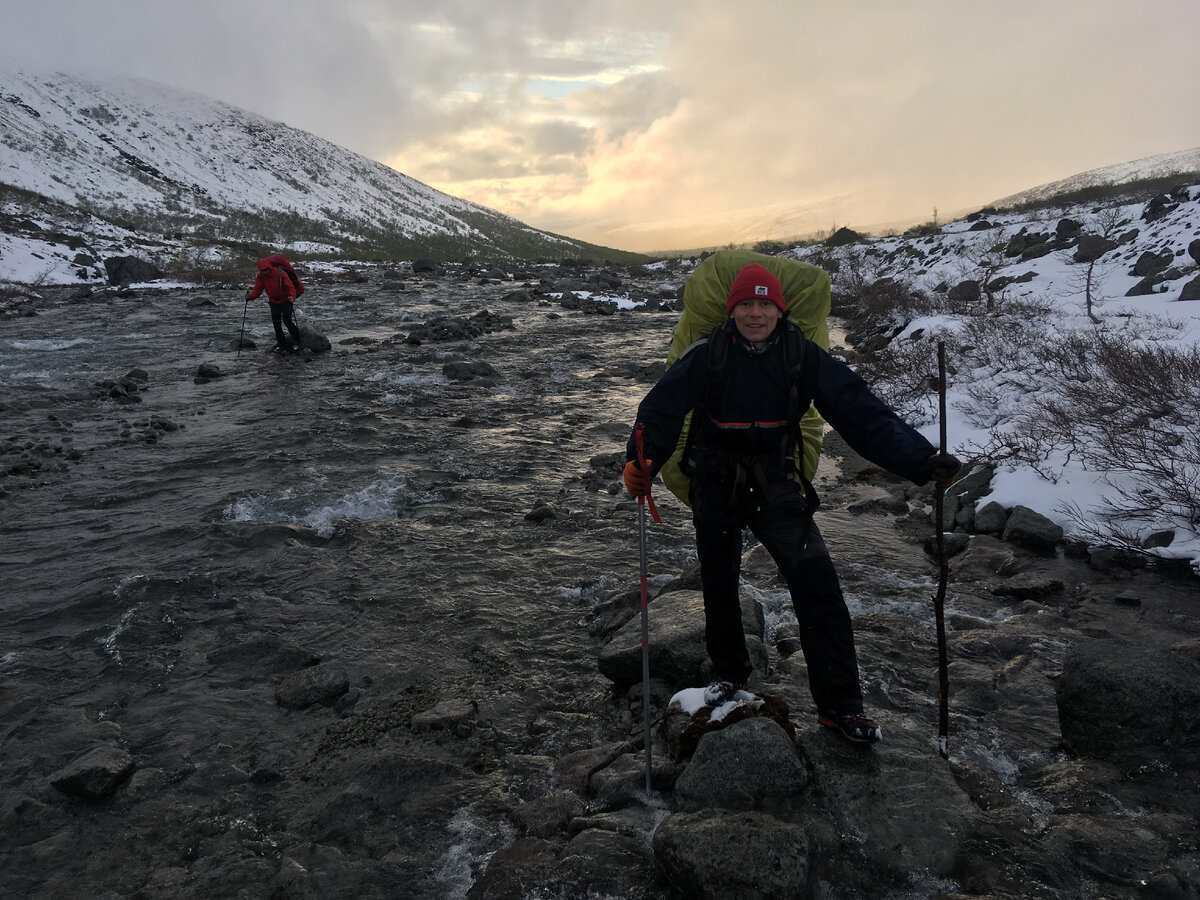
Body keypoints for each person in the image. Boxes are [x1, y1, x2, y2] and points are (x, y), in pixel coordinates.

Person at [623, 263, 960, 744]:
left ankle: (841, 706)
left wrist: (921, 459)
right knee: (719, 583)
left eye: (765, 304)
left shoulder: (803, 356)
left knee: (818, 586)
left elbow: (859, 412)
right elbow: (660, 410)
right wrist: (641, 461)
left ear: (779, 310)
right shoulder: (708, 355)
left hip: (777, 483)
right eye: (746, 304)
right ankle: (730, 676)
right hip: (716, 480)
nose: (755, 313)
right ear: (732, 310)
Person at [245, 254, 305, 352]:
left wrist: (292, 297)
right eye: (263, 271)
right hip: (273, 301)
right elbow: (257, 290)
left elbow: (290, 287)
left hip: (286, 300)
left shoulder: (280, 273)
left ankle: (298, 340)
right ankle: (282, 345)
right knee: (276, 324)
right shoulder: (261, 276)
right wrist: (250, 297)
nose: (265, 272)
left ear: (269, 267)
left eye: (266, 270)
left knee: (287, 320)